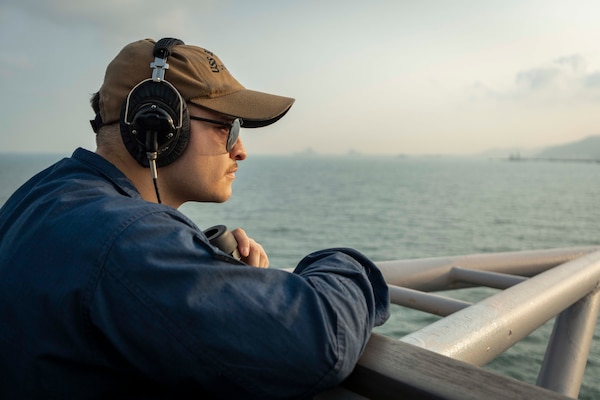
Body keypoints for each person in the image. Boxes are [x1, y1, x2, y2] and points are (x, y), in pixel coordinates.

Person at [0, 37, 390, 399]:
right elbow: (322, 342)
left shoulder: (45, 194)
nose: (241, 151)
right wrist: (342, 265)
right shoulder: (129, 239)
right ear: (159, 125)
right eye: (227, 126)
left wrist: (214, 275)